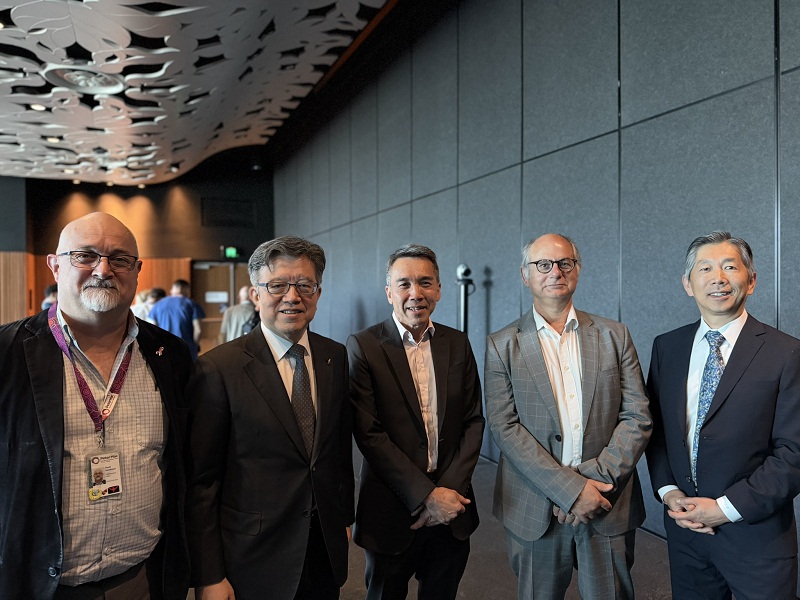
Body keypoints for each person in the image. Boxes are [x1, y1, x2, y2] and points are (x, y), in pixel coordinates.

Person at [0, 212, 193, 599]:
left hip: (141, 581)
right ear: (55, 266)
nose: (103, 270)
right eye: (85, 256)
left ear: (137, 270)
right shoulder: (7, 353)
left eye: (119, 259)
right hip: (37, 585)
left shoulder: (169, 354)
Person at [484, 233, 652, 599]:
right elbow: (504, 427)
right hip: (535, 508)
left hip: (606, 500)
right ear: (525, 275)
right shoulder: (502, 344)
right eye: (543, 264)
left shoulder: (615, 335)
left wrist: (593, 483)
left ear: (577, 270)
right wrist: (571, 491)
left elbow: (637, 416)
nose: (555, 272)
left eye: (565, 263)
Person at [186, 236, 354, 600]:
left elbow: (338, 451)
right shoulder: (218, 368)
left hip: (323, 548)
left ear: (318, 294)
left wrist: (343, 517)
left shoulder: (335, 356)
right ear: (255, 295)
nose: (292, 297)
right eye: (277, 286)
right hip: (253, 558)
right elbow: (202, 484)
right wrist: (209, 575)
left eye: (305, 285)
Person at [646, 231, 800, 599]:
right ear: (688, 284)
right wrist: (669, 492)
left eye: (730, 267)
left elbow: (794, 453)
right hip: (685, 532)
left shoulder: (787, 353)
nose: (718, 278)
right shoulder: (668, 347)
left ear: (752, 280)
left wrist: (725, 509)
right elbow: (656, 431)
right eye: (705, 269)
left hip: (757, 537)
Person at [347, 244, 485, 600]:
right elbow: (369, 434)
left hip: (453, 508)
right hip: (391, 510)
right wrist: (426, 496)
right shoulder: (363, 346)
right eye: (404, 284)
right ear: (389, 292)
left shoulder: (457, 343)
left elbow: (473, 421)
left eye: (425, 282)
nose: (415, 293)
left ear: (438, 289)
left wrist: (447, 494)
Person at [148, 278, 205, 360]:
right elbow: (198, 330)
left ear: (173, 289)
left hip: (164, 350)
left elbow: (152, 329)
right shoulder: (191, 304)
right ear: (186, 290)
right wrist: (194, 345)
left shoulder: (158, 305)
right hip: (185, 349)